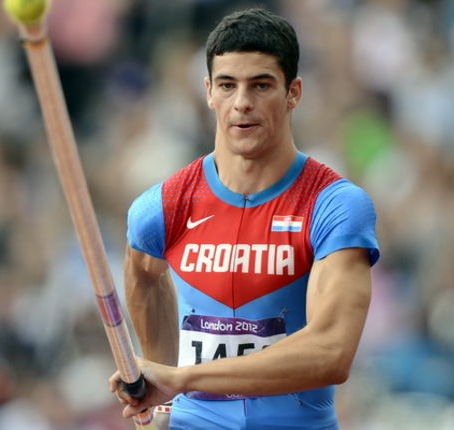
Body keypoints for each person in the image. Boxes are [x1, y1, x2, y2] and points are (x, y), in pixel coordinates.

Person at [109, 7, 380, 429]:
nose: (242, 103)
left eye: (261, 85)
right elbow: (144, 276)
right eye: (227, 85)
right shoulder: (162, 207)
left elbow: (331, 352)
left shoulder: (333, 205)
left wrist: (181, 378)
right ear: (208, 92)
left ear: (294, 93)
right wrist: (162, 400)